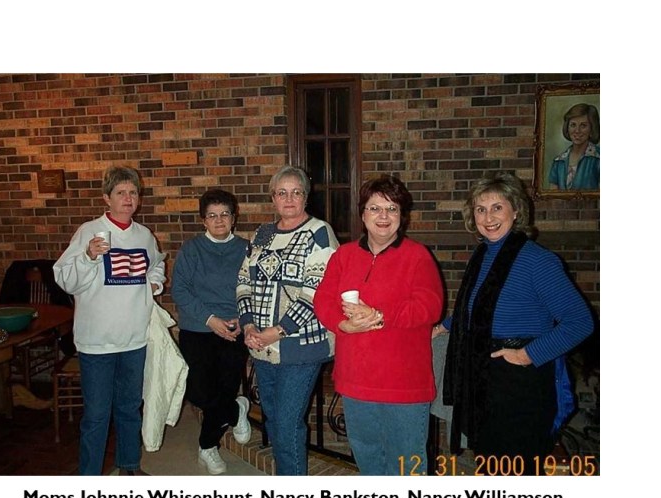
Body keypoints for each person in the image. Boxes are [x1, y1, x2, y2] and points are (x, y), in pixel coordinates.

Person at [435, 173, 593, 475]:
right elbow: (478, 309)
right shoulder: (483, 255)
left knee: (517, 470)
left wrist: (526, 355)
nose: (488, 218)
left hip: (520, 381)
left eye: (497, 207)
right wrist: (445, 325)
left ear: (516, 211)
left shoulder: (537, 260)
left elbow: (580, 322)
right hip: (484, 378)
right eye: (481, 209)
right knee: (490, 463)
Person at [313, 175, 444, 475]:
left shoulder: (417, 256)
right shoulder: (344, 255)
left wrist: (380, 315)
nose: (383, 216)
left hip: (403, 383)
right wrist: (342, 325)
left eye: (392, 208)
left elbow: (430, 306)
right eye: (375, 208)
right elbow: (323, 299)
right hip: (356, 380)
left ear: (401, 215)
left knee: (407, 466)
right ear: (363, 214)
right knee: (368, 460)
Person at [53, 166, 166, 476]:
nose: (128, 199)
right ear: (107, 198)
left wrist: (154, 284)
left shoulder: (143, 235)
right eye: (121, 193)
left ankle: (129, 466)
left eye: (133, 193)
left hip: (134, 338)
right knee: (97, 415)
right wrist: (88, 257)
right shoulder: (89, 231)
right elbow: (65, 280)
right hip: (97, 342)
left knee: (130, 408)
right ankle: (89, 477)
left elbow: (157, 265)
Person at [236, 165, 339, 475]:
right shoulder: (262, 234)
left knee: (287, 423)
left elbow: (317, 292)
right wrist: (248, 324)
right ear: (273, 198)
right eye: (282, 193)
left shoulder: (319, 232)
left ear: (306, 197)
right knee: (275, 421)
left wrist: (278, 331)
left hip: (299, 347)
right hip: (262, 347)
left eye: (296, 192)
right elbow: (243, 281)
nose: (289, 199)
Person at [171, 189, 251, 475]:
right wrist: (210, 319)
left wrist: (243, 318)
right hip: (198, 328)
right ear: (203, 220)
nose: (219, 221)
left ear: (234, 217)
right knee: (199, 393)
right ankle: (236, 409)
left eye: (225, 214)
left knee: (224, 387)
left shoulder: (246, 249)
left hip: (233, 328)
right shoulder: (192, 249)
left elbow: (256, 289)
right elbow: (180, 290)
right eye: (212, 215)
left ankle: (207, 447)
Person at [547, 103, 600, 190]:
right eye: (573, 125)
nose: (577, 131)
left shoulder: (598, 159)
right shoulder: (558, 162)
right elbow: (552, 195)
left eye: (583, 125)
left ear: (592, 129)